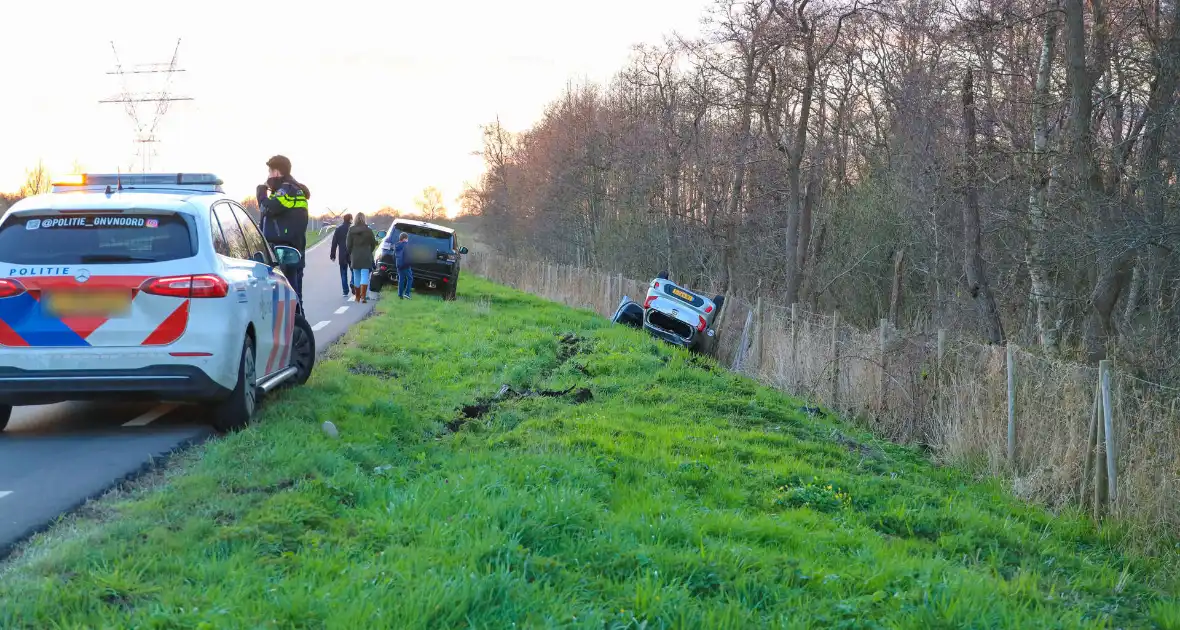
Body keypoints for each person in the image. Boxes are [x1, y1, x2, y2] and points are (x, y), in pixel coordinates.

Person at [256, 155, 311, 301]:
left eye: (269, 172)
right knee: (294, 298)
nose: (268, 176)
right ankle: (298, 323)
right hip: (293, 251)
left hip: (285, 253)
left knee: (288, 299)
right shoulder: (293, 189)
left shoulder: (287, 189)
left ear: (276, 172)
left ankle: (296, 323)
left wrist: (261, 193)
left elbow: (268, 208)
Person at [346, 212, 379, 303]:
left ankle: (357, 297)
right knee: (364, 275)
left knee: (356, 275)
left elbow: (348, 245)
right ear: (364, 219)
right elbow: (373, 244)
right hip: (366, 256)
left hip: (355, 256)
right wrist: (369, 251)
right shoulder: (368, 230)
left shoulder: (351, 230)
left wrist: (351, 253)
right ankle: (363, 296)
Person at [328, 213, 353, 298]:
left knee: (343, 272)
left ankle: (345, 291)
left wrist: (333, 255)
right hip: (352, 253)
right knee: (353, 271)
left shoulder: (338, 229)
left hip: (342, 254)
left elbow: (334, 243)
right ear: (350, 219)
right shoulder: (352, 229)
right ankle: (353, 284)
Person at [394, 232, 413, 300]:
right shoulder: (406, 245)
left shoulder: (397, 245)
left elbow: (394, 256)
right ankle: (407, 293)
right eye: (407, 238)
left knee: (401, 279)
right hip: (406, 265)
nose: (407, 240)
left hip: (399, 265)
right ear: (404, 239)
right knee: (410, 278)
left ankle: (400, 294)